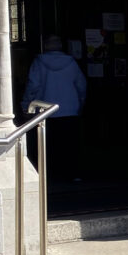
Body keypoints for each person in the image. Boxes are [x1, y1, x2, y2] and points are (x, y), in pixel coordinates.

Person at [20, 34, 86, 179]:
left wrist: (26, 105)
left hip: (46, 110)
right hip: (70, 109)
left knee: (49, 146)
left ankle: (49, 175)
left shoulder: (39, 62)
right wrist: (80, 103)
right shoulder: (71, 62)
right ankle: (74, 174)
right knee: (70, 145)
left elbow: (33, 86)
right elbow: (81, 85)